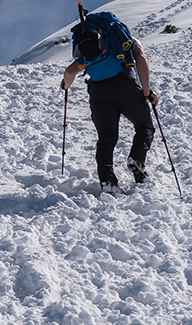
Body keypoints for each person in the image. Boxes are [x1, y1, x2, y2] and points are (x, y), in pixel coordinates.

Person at [60, 11, 157, 192]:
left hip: (98, 92)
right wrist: (146, 90)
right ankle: (137, 160)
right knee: (144, 126)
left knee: (106, 139)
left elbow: (70, 72)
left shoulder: (90, 50)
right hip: (124, 85)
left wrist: (65, 86)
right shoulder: (121, 39)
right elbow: (140, 58)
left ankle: (108, 183)